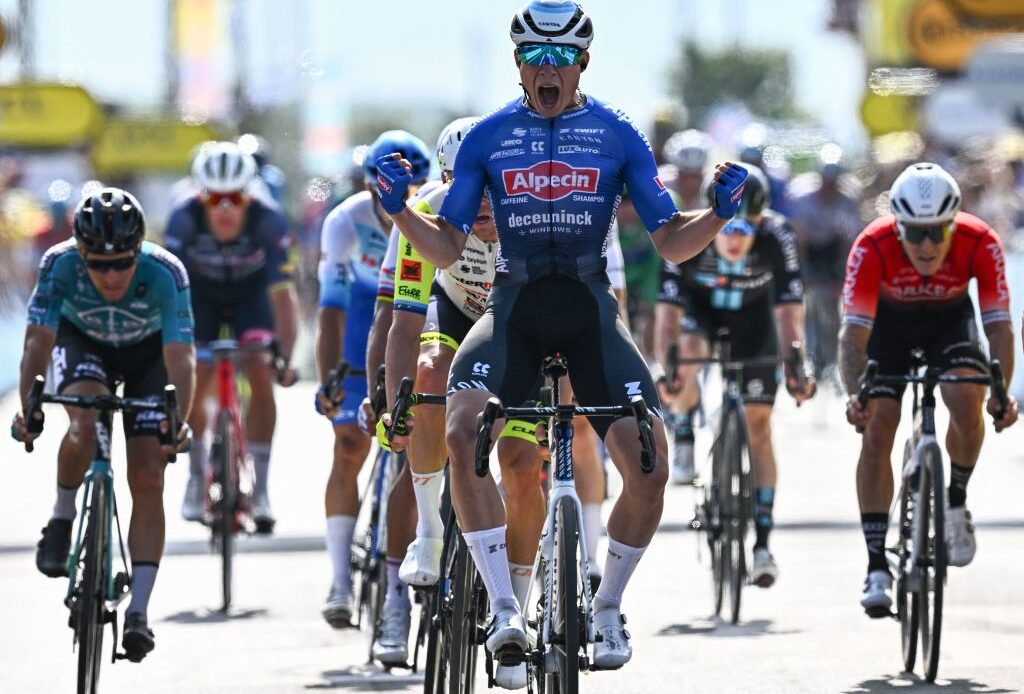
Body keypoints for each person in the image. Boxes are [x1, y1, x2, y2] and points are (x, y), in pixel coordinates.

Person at [374, 0, 747, 683]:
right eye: (536, 58)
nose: (550, 71)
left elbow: (670, 240)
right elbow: (447, 243)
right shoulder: (489, 138)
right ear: (518, 63)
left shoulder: (616, 134)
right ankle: (506, 610)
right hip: (512, 314)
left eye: (562, 58)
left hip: (589, 317)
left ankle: (606, 606)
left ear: (583, 62)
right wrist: (400, 211)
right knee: (461, 432)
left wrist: (718, 215)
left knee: (653, 463)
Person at [12, 188, 195, 661]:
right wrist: (29, 407)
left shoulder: (167, 272)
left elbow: (180, 357)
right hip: (82, 345)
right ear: (80, 254)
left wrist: (179, 421)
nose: (110, 274)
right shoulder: (58, 264)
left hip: (147, 357)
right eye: (97, 263)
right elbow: (37, 340)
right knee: (83, 418)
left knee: (149, 473)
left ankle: (139, 612)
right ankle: (63, 515)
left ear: (139, 252)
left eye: (122, 263)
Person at [841, 162, 1019, 616]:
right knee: (879, 425)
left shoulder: (981, 241)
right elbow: (852, 338)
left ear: (953, 226)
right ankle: (876, 563)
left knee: (966, 396)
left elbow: (999, 327)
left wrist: (1001, 390)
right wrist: (855, 395)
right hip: (888, 329)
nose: (925, 245)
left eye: (937, 233)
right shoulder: (872, 245)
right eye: (914, 232)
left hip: (949, 324)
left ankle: (955, 501)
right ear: (897, 225)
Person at [655, 165, 814, 583]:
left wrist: (796, 365)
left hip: (755, 323)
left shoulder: (778, 237)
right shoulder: (688, 229)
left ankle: (762, 543)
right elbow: (667, 317)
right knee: (686, 352)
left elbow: (790, 313)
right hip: (701, 316)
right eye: (729, 227)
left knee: (758, 426)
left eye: (748, 228)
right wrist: (670, 370)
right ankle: (685, 432)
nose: (736, 238)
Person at [313, 129, 433, 628]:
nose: (398, 203)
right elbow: (330, 311)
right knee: (348, 447)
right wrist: (328, 378)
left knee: (414, 452)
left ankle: (399, 583)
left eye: (411, 191)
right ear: (368, 186)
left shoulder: (431, 215)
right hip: (362, 324)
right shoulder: (344, 222)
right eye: (386, 192)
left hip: (416, 325)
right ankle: (339, 579)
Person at [166, 141, 299, 534]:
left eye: (235, 198)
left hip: (250, 297)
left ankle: (260, 486)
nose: (225, 209)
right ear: (200, 196)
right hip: (201, 297)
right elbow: (170, 293)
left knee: (259, 367)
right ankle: (194, 474)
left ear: (249, 194)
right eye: (215, 200)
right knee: (197, 374)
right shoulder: (182, 220)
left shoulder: (269, 220)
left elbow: (284, 297)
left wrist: (285, 358)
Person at [788, 150, 863, 385]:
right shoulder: (804, 197)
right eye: (826, 182)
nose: (829, 188)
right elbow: (798, 239)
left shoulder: (848, 200)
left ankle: (834, 357)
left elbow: (849, 242)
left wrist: (842, 276)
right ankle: (809, 355)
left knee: (832, 308)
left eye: (834, 183)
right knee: (807, 306)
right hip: (809, 250)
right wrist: (803, 272)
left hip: (833, 251)